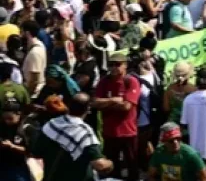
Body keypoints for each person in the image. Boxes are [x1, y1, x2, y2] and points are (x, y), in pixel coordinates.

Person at [33, 93, 113, 181]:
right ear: (88, 109)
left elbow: (36, 153)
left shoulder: (51, 125)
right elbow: (100, 165)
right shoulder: (84, 132)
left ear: (68, 106)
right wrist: (109, 163)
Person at [92, 51, 141, 181]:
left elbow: (127, 106)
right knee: (112, 167)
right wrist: (115, 100)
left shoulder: (131, 81)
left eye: (117, 64)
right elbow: (95, 102)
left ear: (125, 65)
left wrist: (106, 103)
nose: (113, 67)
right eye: (111, 64)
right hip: (109, 133)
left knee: (132, 165)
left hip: (128, 132)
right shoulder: (104, 81)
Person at [20, 20, 46, 96]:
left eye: (21, 32)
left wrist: (27, 95)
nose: (20, 35)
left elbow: (35, 79)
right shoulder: (40, 45)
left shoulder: (35, 52)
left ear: (27, 33)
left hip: (33, 93)